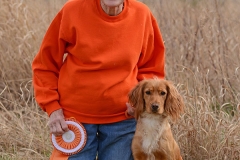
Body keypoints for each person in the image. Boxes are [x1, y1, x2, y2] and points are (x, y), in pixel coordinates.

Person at [32, 0, 165, 159]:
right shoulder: (72, 10)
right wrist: (52, 107)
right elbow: (44, 65)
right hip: (74, 121)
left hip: (123, 121)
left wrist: (140, 104)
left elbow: (151, 69)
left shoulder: (142, 15)